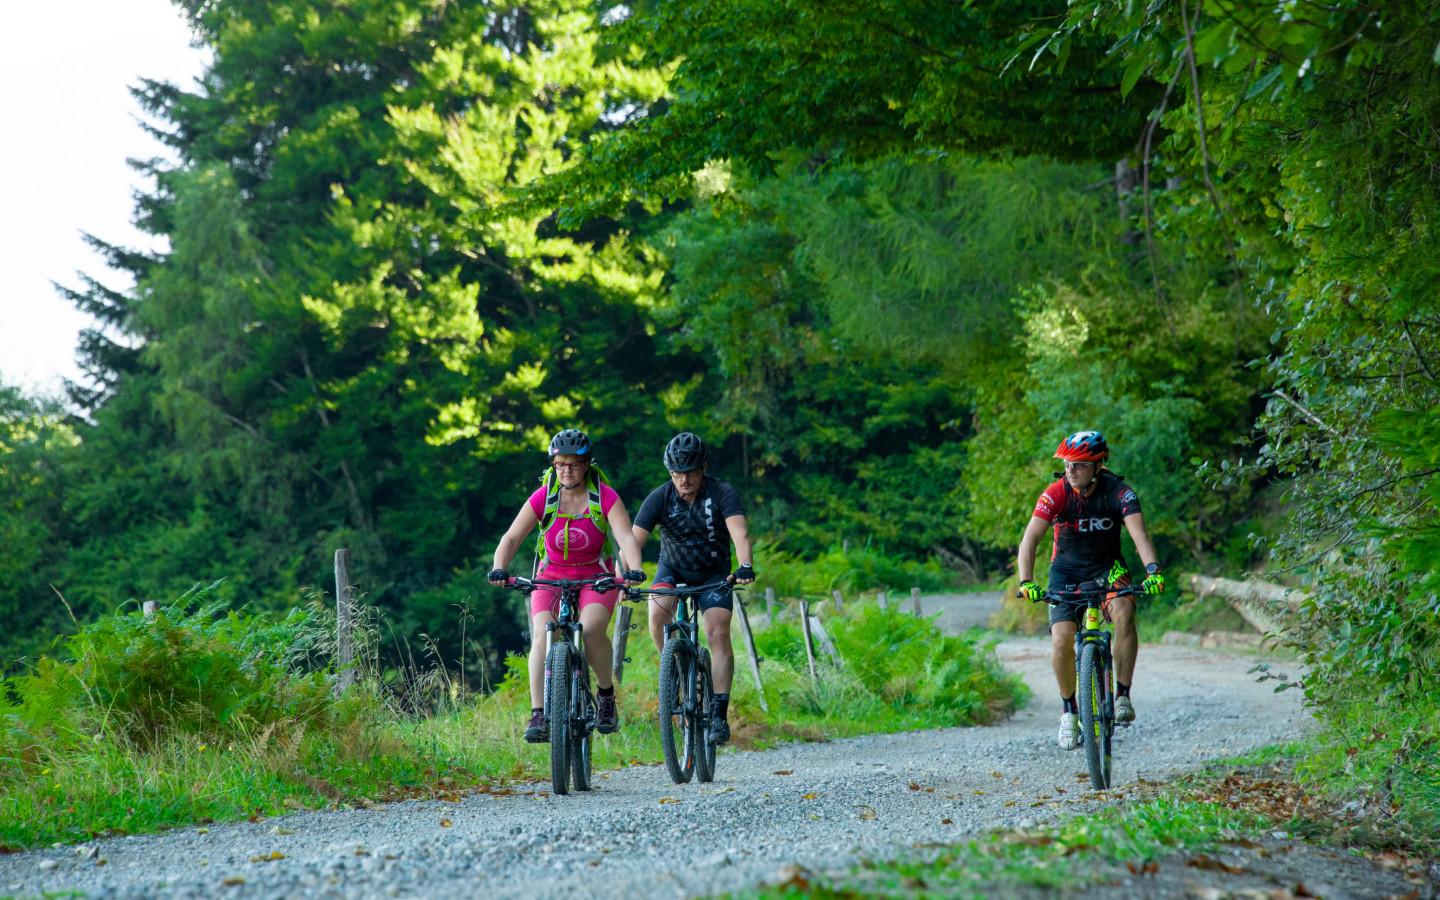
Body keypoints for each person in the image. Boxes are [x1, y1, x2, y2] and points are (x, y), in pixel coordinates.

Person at [488, 429, 646, 743]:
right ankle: (538, 713)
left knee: (590, 630)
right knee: (542, 635)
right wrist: (499, 567)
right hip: (551, 576)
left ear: (586, 465)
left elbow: (626, 538)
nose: (566, 471)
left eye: (573, 464)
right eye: (560, 464)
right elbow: (511, 537)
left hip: (596, 576)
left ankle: (605, 697)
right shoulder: (545, 497)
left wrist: (635, 570)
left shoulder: (605, 497)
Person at [1014, 430, 1166, 750]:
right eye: (1067, 464)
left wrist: (1153, 571)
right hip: (1065, 571)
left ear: (1098, 466)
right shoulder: (1056, 493)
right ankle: (1069, 711)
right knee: (1061, 638)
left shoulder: (1120, 492)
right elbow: (1030, 539)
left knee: (1124, 612)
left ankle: (1122, 695)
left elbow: (1140, 535)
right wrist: (1026, 581)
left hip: (1108, 568)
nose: (1071, 470)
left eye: (1080, 464)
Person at [632, 432, 755, 745]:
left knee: (717, 631)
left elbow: (739, 533)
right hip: (672, 570)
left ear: (703, 468)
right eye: (677, 473)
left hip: (714, 573)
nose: (683, 479)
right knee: (656, 613)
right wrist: (626, 576)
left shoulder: (722, 492)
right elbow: (632, 542)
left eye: (689, 472)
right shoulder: (660, 497)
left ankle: (719, 714)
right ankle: (672, 670)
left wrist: (744, 564)